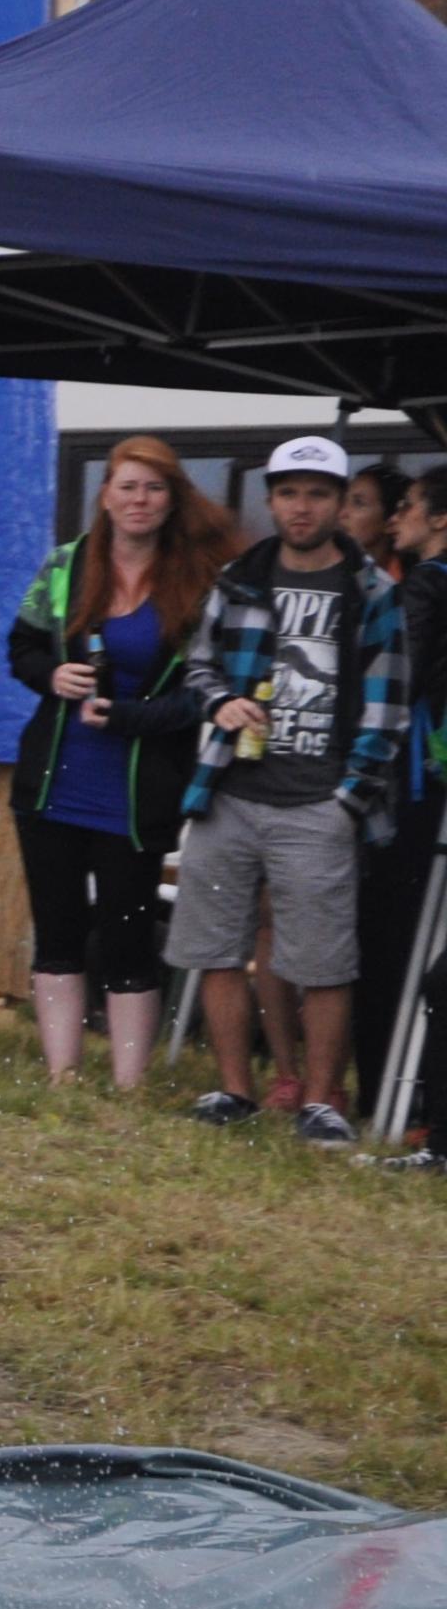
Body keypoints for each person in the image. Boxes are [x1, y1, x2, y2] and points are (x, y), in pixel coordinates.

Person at [169, 433, 411, 1141]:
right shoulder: (239, 577)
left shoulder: (373, 590)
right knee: (216, 947)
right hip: (230, 790)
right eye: (288, 493)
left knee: (324, 962)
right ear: (271, 500)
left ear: (338, 504)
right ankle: (233, 1090)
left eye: (317, 494)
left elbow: (388, 709)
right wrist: (221, 703)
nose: (301, 507)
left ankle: (323, 1101)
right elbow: (198, 667)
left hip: (319, 800)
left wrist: (348, 802)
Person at [2, 438, 225, 1090]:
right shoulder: (66, 564)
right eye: (127, 487)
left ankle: (129, 1086)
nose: (139, 500)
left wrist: (130, 717)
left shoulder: (197, 581)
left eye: (154, 488)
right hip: (55, 777)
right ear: (105, 496)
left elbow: (201, 696)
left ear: (172, 500)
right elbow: (20, 647)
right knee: (59, 931)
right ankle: (62, 1076)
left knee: (128, 937)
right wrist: (53, 675)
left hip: (138, 789)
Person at [379, 467, 447, 1169]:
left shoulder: (426, 583)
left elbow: (399, 676)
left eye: (409, 507)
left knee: (407, 953)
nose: (395, 518)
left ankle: (415, 1113)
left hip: (419, 784)